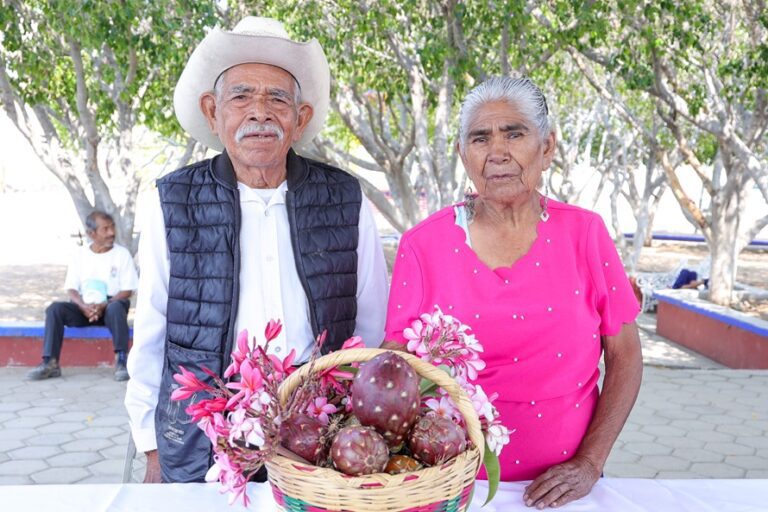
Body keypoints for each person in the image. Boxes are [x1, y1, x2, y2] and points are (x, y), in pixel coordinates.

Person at [125, 17, 388, 484]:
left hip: (320, 432)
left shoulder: (347, 199)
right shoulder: (171, 202)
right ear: (213, 111)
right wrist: (150, 445)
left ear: (300, 118)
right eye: (241, 96)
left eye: (278, 98)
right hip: (205, 434)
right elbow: (153, 332)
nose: (260, 112)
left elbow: (371, 325)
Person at [383, 77, 643, 509]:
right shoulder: (422, 245)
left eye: (515, 133)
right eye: (480, 138)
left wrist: (589, 464)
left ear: (547, 147)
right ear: (463, 154)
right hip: (453, 484)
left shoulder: (586, 234)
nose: (497, 152)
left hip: (570, 489)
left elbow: (626, 357)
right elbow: (396, 367)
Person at [26, 210, 138, 382]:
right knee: (55, 309)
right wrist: (83, 306)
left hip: (110, 308)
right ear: (91, 234)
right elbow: (71, 288)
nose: (111, 233)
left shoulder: (121, 254)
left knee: (117, 306)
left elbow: (128, 289)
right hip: (84, 308)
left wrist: (103, 304)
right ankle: (50, 363)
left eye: (112, 227)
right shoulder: (80, 255)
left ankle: (122, 361)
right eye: (105, 229)